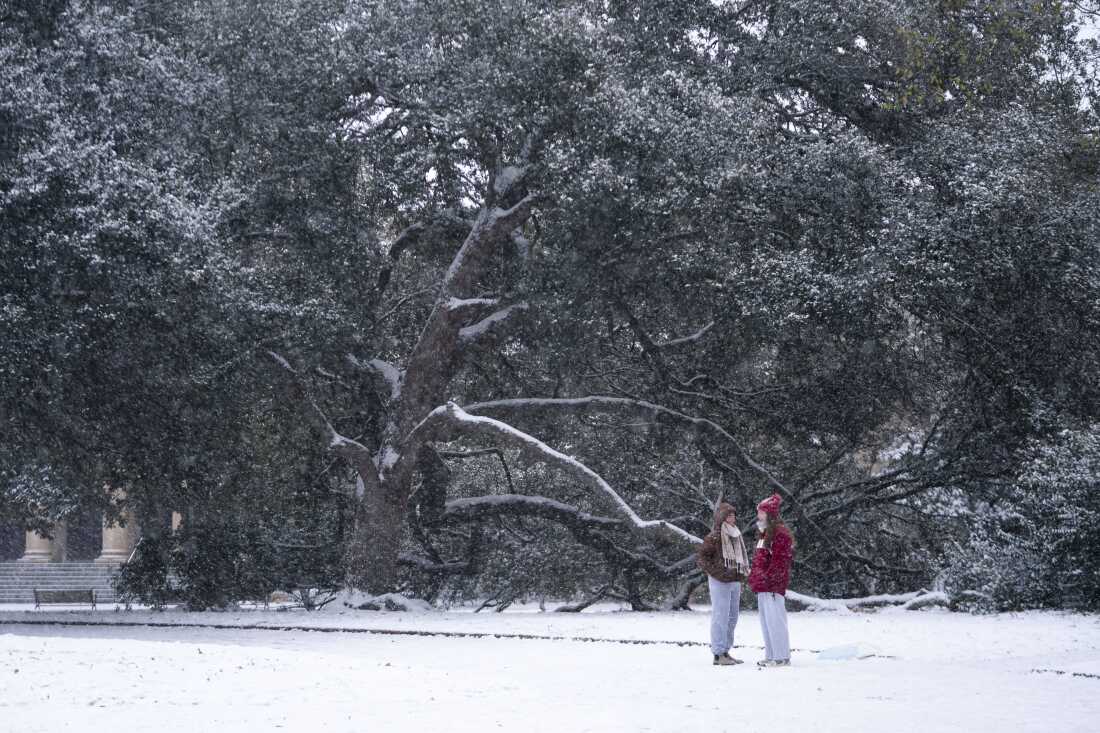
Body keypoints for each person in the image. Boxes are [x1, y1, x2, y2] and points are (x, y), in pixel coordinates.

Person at [696, 502, 750, 666]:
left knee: (732, 617)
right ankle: (718, 653)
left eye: (733, 515)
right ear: (721, 518)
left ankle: (726, 650)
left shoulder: (736, 534)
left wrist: (740, 574)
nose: (732, 518)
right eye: (728, 515)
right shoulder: (714, 536)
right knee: (721, 616)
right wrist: (719, 573)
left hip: (735, 580)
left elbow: (740, 558)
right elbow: (702, 559)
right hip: (720, 581)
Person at [748, 492, 794, 668]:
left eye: (761, 512)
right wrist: (756, 577)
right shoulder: (765, 533)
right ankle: (772, 654)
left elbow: (780, 563)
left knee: (776, 621)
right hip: (763, 586)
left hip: (772, 586)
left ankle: (781, 656)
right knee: (767, 622)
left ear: (769, 514)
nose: (758, 515)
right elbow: (760, 560)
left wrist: (770, 580)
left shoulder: (780, 534)